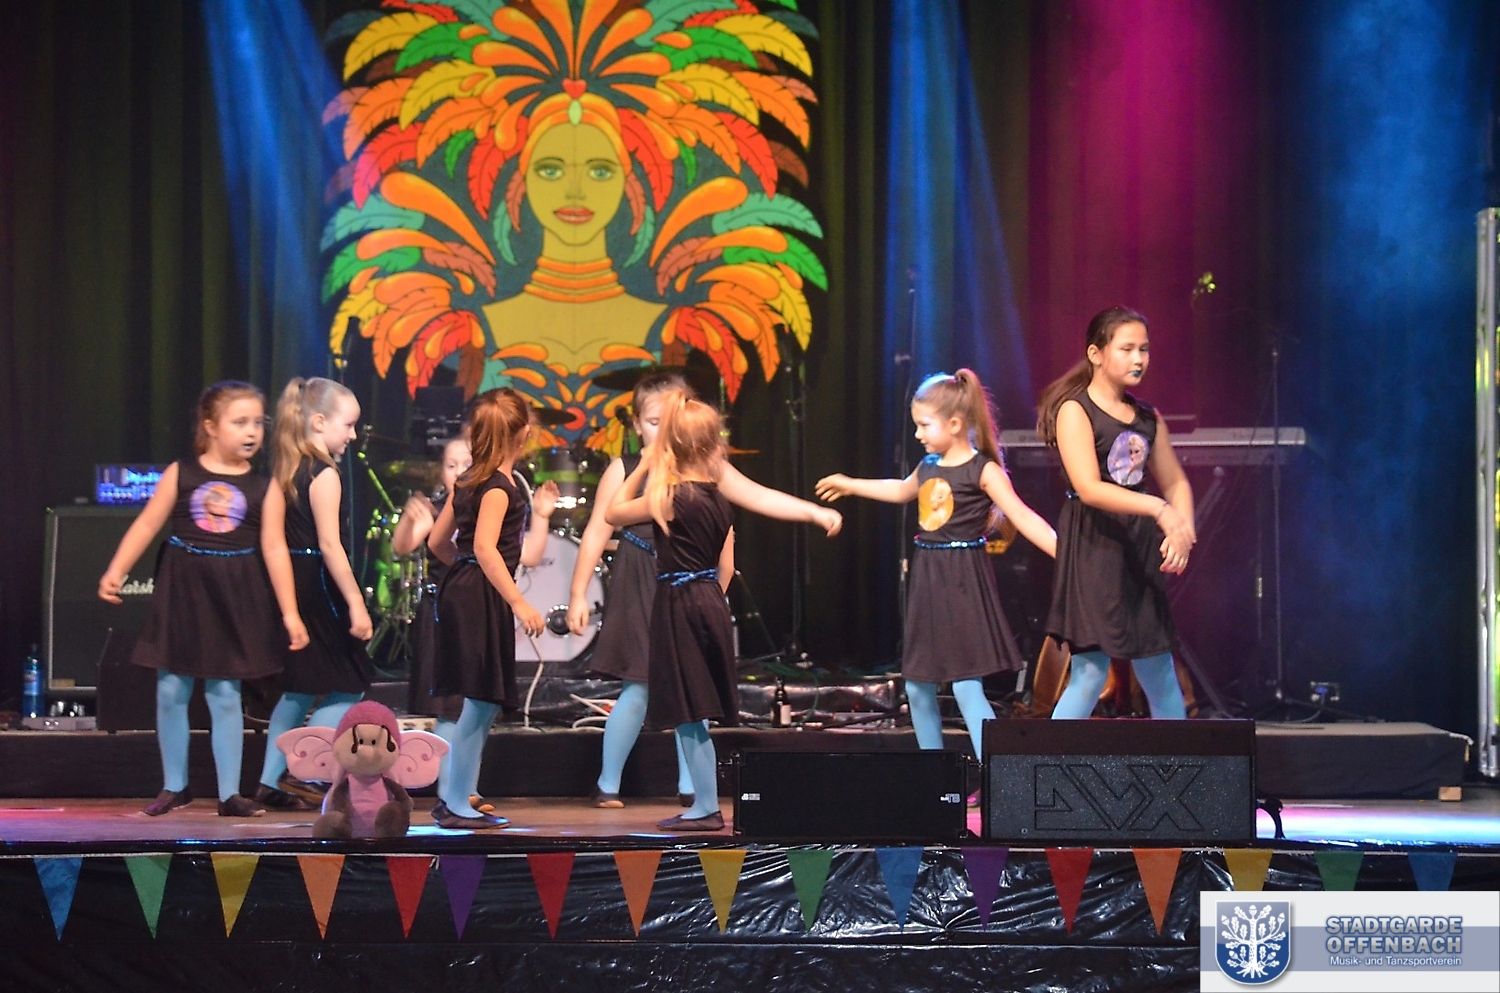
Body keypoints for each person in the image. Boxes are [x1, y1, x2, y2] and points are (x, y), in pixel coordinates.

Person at [608, 390, 842, 831]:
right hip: (709, 600)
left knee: (688, 711)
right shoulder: (717, 494)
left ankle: (706, 807)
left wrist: (642, 465)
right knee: (693, 711)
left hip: (679, 603)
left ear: (671, 445)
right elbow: (746, 527)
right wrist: (813, 513)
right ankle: (704, 803)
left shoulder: (668, 496)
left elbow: (613, 513)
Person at [815, 369, 1057, 762]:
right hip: (928, 581)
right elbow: (900, 490)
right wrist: (850, 483)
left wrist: (1065, 554)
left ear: (955, 424)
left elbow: (1023, 517)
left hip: (963, 581)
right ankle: (934, 773)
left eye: (925, 425)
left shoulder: (983, 470)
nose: (918, 434)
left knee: (966, 686)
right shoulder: (928, 465)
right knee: (917, 686)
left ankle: (998, 773)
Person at [98, 381, 307, 817]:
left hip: (234, 596)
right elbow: (147, 524)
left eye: (258, 423)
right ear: (211, 427)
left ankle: (230, 794)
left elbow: (274, 548)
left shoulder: (264, 486)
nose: (251, 432)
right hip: (184, 593)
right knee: (171, 689)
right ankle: (175, 785)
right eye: (240, 422)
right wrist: (117, 569)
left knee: (225, 693)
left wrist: (290, 613)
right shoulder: (183, 473)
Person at [1035, 305, 1196, 720]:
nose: (1138, 358)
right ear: (1096, 353)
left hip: (1136, 548)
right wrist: (1159, 509)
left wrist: (1182, 530)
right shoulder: (1075, 410)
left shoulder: (1148, 417)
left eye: (1144, 349)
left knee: (1159, 670)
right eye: (1127, 349)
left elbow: (1175, 482)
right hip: (1094, 544)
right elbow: (1089, 487)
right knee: (1090, 673)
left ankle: (1180, 762)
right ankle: (1045, 760)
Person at [392, 434, 556, 806]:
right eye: (451, 465)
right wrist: (466, 568)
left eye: (466, 464)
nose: (460, 471)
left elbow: (526, 554)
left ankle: (464, 789)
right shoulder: (444, 506)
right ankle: (453, 794)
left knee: (478, 704)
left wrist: (542, 517)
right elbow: (408, 545)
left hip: (476, 604)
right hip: (446, 611)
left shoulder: (490, 501)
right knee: (453, 707)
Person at [565, 373, 701, 808]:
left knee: (688, 686)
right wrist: (578, 593)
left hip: (685, 579)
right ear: (638, 425)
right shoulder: (623, 468)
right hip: (639, 574)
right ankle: (608, 783)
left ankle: (692, 786)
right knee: (638, 685)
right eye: (654, 422)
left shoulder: (700, 467)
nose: (664, 430)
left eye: (672, 420)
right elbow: (595, 532)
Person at [426, 389, 547, 829]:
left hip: (468, 588)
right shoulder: (498, 487)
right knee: (479, 702)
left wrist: (461, 575)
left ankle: (459, 796)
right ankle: (455, 802)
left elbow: (438, 543)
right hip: (479, 593)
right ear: (524, 434)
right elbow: (483, 546)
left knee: (483, 702)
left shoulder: (468, 480)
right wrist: (518, 600)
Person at [254, 377, 375, 809]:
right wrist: (356, 603)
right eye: (349, 425)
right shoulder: (323, 474)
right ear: (320, 422)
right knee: (350, 681)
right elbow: (330, 545)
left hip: (293, 579)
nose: (353, 435)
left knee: (300, 687)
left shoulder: (288, 468)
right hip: (318, 581)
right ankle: (298, 768)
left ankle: (270, 780)